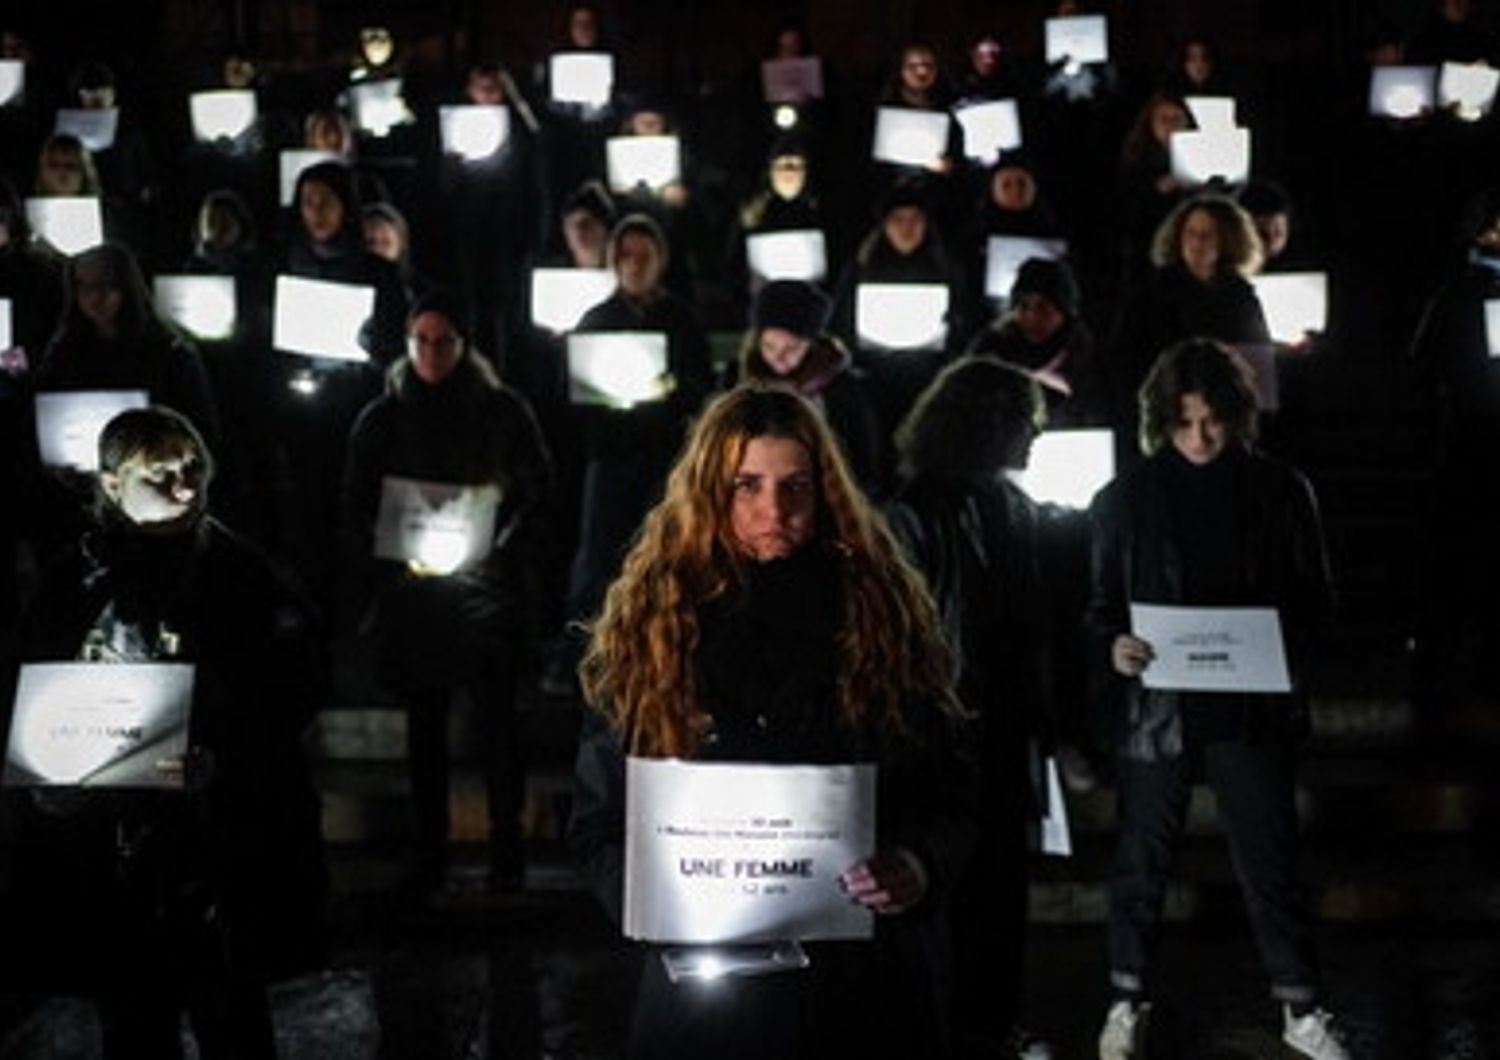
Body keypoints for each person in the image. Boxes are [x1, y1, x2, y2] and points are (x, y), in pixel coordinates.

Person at [569, 384, 973, 1058]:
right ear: (707, 490)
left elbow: (950, 788)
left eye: (795, 486)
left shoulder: (883, 619)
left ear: (825, 492)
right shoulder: (651, 631)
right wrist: (658, 900)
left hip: (860, 991)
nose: (772, 510)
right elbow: (598, 819)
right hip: (709, 994)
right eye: (745, 485)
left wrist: (918, 864)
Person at [1, 405, 327, 1059]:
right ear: (112, 483)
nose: (185, 487)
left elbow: (293, 687)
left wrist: (226, 760)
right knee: (132, 1024)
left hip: (217, 848)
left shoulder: (246, 576)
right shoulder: (73, 583)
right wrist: (47, 782)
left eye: (192, 469)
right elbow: (29, 689)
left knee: (232, 1019)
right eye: (161, 474)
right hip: (108, 852)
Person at [1085, 339, 1346, 1060]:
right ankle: (1125, 997)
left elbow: (1317, 599)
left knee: (1270, 859)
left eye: (1212, 421)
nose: (1199, 438)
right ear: (1160, 420)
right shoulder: (1125, 498)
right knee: (1142, 860)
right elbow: (1099, 605)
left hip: (1249, 703)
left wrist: (1281, 647)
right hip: (1160, 704)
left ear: (1236, 415)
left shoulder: (1281, 490)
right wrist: (1113, 647)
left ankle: (1301, 1006)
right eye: (1183, 422)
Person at [343, 290, 552, 892]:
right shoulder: (381, 418)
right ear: (407, 345)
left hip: (488, 594)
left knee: (497, 726)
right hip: (415, 600)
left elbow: (539, 491)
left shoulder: (502, 410)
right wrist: (390, 559)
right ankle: (429, 848)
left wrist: (498, 545)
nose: (432, 352)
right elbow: (353, 505)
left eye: (444, 340)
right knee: (425, 730)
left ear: (465, 346)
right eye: (421, 340)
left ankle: (506, 846)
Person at [887, 357, 1055, 1060]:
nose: (1034, 440)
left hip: (1000, 724)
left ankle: (988, 1021)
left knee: (1000, 885)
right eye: (1026, 425)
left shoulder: (1009, 506)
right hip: (946, 728)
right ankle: (952, 1024)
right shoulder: (916, 507)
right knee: (954, 885)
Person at [544, 213, 713, 697]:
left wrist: (674, 388)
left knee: (667, 562)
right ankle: (578, 664)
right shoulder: (595, 320)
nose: (635, 264)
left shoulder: (681, 319)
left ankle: (666, 663)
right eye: (625, 256)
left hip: (664, 461)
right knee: (596, 562)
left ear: (661, 260)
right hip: (611, 459)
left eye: (644, 255)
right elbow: (568, 398)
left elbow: (702, 389)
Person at [1108, 193, 1269, 449]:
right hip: (1166, 418)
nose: (1197, 243)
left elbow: (1257, 366)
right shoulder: (1150, 294)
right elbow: (1127, 362)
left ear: (1226, 241)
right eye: (1190, 233)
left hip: (1223, 421)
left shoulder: (1241, 297)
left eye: (1207, 235)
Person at [728, 279, 884, 494]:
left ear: (811, 345)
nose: (779, 357)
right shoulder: (737, 380)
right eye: (769, 346)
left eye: (791, 348)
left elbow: (863, 461)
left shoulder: (842, 388)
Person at [966, 256, 1106, 426]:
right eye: (1023, 305)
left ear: (1065, 311)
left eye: (1043, 307)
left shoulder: (1085, 361)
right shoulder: (988, 354)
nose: (1032, 317)